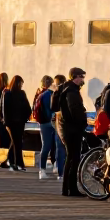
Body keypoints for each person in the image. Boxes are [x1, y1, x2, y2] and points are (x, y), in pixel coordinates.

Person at [53, 67, 88, 197]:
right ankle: (71, 188)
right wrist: (83, 121)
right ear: (75, 77)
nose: (83, 80)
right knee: (74, 157)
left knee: (70, 157)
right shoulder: (71, 91)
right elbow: (74, 109)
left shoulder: (65, 88)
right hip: (72, 128)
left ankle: (66, 188)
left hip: (67, 127)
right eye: (82, 77)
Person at [2, 75, 31, 172]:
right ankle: (19, 164)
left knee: (15, 142)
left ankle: (8, 161)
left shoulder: (19, 93)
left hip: (18, 122)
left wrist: (26, 117)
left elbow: (28, 108)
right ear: (17, 83)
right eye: (20, 83)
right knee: (17, 142)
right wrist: (7, 122)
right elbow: (5, 110)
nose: (21, 86)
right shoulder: (8, 94)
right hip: (12, 123)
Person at [32, 76, 58, 180]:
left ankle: (42, 170)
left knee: (45, 146)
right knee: (55, 145)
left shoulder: (40, 94)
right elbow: (51, 109)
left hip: (43, 123)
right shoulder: (50, 94)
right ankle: (55, 166)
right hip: (51, 122)